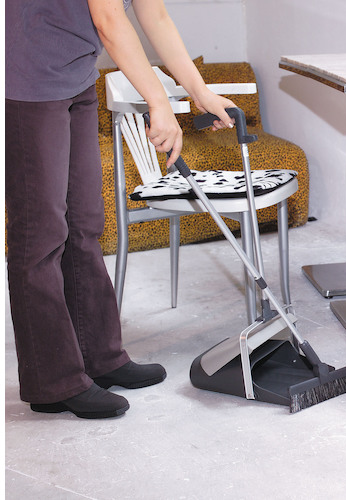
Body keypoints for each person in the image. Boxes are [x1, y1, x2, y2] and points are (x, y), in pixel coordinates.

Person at [5, 0, 236, 419]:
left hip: (75, 76)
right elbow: (109, 19)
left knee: (84, 224)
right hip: (28, 81)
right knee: (40, 236)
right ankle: (51, 381)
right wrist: (158, 103)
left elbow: (154, 14)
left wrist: (199, 90)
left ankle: (99, 358)